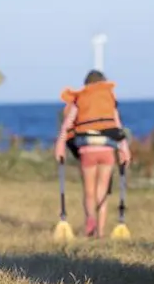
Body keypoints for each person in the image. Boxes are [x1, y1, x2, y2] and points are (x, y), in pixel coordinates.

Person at [54, 70, 131, 238]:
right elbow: (118, 126)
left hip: (87, 149)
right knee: (102, 191)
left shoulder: (81, 98)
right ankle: (101, 232)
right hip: (107, 149)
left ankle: (90, 220)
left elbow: (67, 124)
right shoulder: (109, 98)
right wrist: (124, 149)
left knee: (89, 191)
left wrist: (60, 145)